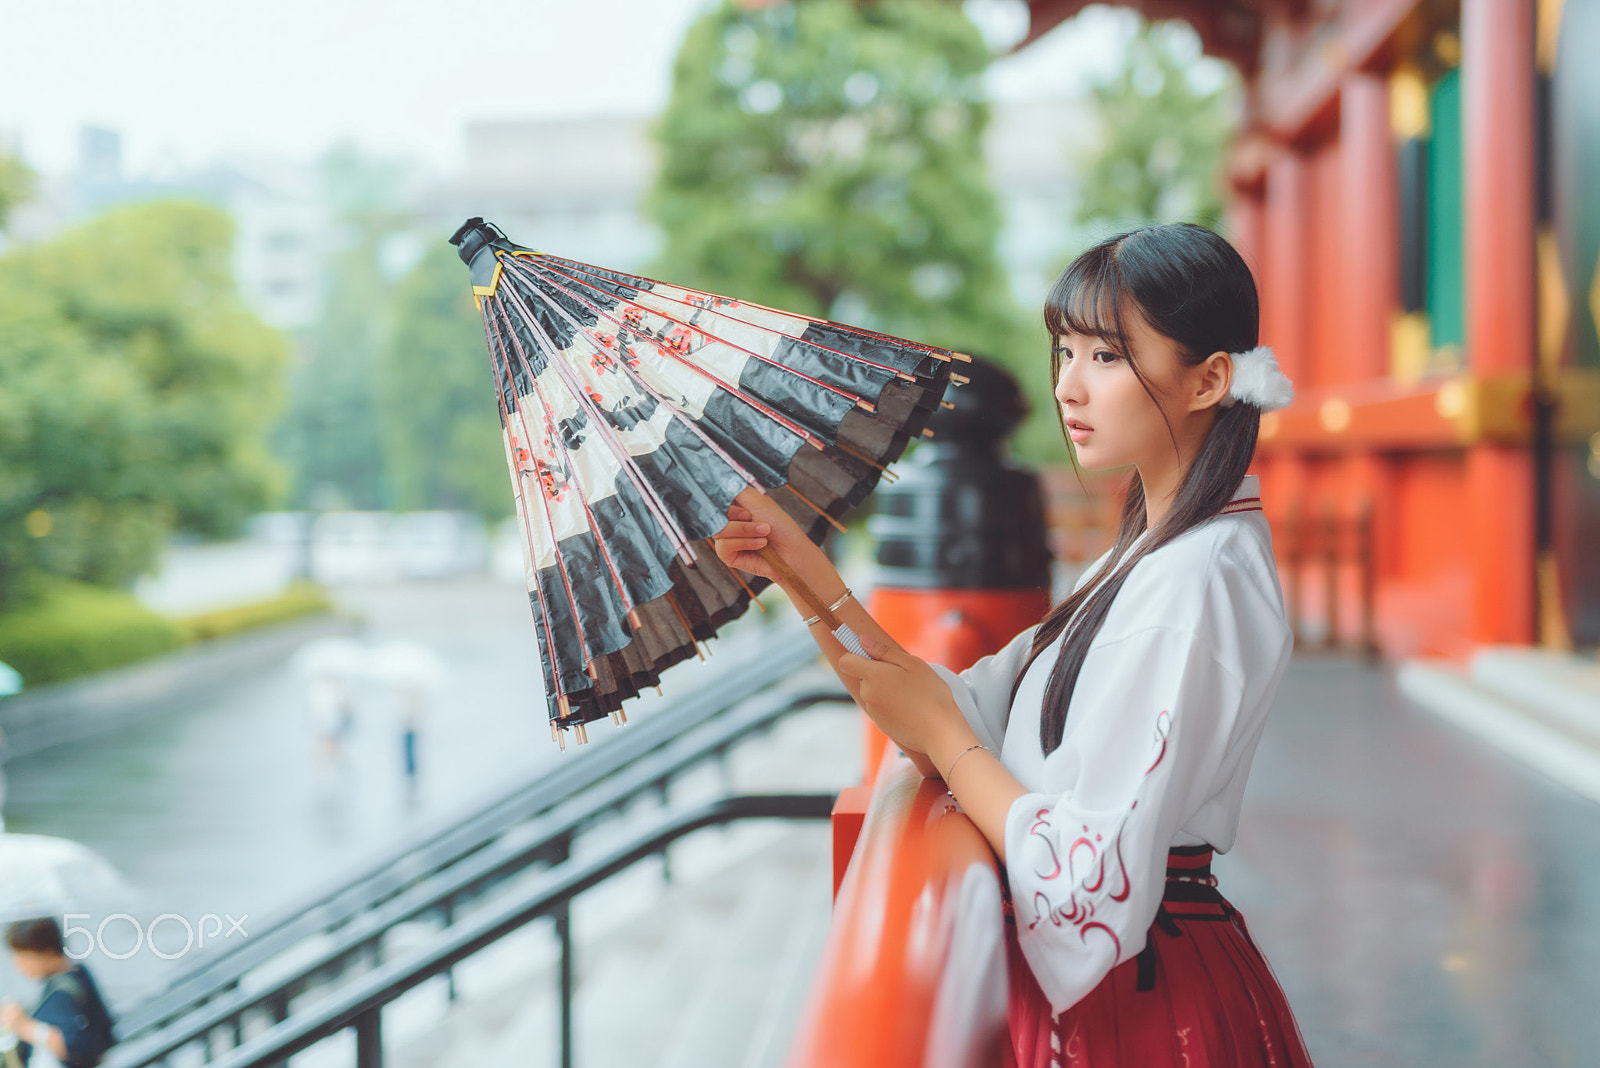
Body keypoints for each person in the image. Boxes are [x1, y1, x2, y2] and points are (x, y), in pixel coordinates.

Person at [714, 223, 1312, 1066]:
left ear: (1210, 377)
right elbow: (951, 702)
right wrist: (800, 570)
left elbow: (1079, 874)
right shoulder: (1152, 556)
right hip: (1140, 983)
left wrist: (951, 746)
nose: (1069, 386)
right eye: (1064, 351)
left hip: (1147, 1010)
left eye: (1106, 357)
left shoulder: (1192, 580)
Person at [0, 919, 115, 1068]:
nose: (19, 966)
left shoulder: (62, 994)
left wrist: (23, 1026)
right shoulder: (77, 973)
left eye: (23, 957)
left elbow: (73, 1047)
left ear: (47, 953)